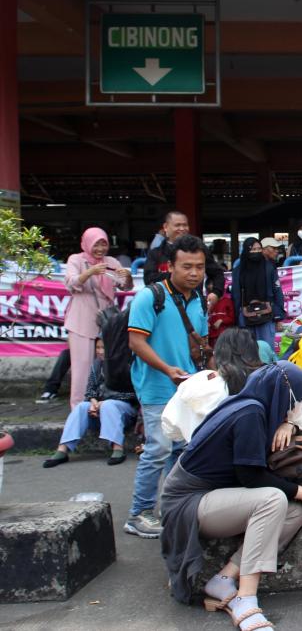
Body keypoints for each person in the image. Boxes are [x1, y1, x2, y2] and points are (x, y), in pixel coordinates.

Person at [159, 362, 302, 627]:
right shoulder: (249, 414)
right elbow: (252, 477)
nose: (296, 407)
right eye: (296, 400)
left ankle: (224, 578)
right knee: (274, 500)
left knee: (293, 512)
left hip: (211, 495)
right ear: (282, 396)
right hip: (188, 502)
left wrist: (288, 424)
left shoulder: (247, 404)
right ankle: (246, 599)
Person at [125, 234, 210, 539]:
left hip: (186, 389)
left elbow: (199, 344)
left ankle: (171, 508)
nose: (194, 273)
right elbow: (136, 342)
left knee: (182, 450)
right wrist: (167, 369)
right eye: (187, 266)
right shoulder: (150, 297)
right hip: (157, 386)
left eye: (199, 267)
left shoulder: (198, 299)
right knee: (157, 449)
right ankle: (139, 513)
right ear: (170, 266)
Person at [64, 227, 133, 408]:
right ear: (86, 243)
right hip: (81, 320)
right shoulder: (76, 260)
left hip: (107, 322)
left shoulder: (111, 261)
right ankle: (79, 411)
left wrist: (128, 277)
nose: (100, 249)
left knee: (110, 364)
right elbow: (71, 283)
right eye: (96, 244)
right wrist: (89, 272)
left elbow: (124, 286)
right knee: (82, 369)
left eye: (104, 244)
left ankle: (105, 407)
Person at [43, 339, 137, 467]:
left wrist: (104, 402)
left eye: (103, 348)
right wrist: (93, 402)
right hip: (101, 408)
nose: (100, 351)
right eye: (97, 348)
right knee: (82, 406)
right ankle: (62, 450)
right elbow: (90, 391)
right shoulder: (97, 365)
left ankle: (117, 449)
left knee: (109, 405)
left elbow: (134, 394)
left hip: (125, 411)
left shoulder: (128, 365)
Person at [143, 211, 225, 311]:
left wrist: (216, 292)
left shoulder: (200, 250)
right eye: (177, 225)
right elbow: (149, 279)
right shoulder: (155, 253)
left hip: (194, 305)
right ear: (166, 227)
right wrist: (177, 275)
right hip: (163, 306)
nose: (182, 229)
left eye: (185, 225)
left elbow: (217, 273)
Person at [231, 237, 285, 346]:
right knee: (247, 352)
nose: (256, 252)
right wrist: (236, 318)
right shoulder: (238, 271)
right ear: (246, 251)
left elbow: (277, 291)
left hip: (267, 315)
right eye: (253, 249)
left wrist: (278, 316)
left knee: (266, 351)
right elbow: (236, 295)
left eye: (259, 249)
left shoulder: (269, 268)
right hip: (245, 318)